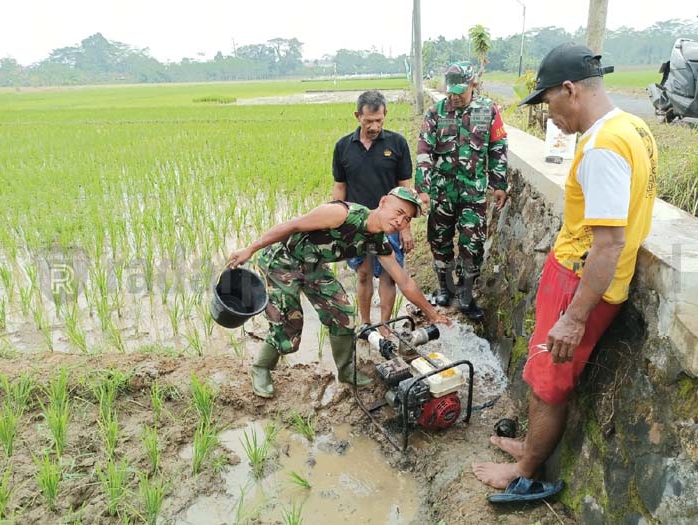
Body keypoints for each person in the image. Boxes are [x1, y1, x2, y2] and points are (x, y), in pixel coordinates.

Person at [473, 43, 657, 491]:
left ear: (570, 90)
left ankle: (525, 473)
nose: (546, 116)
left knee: (549, 382)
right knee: (541, 369)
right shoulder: (633, 127)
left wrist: (574, 317)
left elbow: (609, 243)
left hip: (581, 284)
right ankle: (530, 449)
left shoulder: (602, 148)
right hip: (574, 274)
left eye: (547, 101)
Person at [225, 187, 451, 399]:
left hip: (314, 267)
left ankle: (346, 370)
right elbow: (292, 225)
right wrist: (250, 249)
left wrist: (432, 314)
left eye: (407, 219)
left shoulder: (377, 241)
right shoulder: (341, 214)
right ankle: (261, 368)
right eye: (399, 212)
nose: (400, 221)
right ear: (383, 202)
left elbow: (404, 281)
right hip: (283, 263)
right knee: (289, 326)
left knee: (342, 315)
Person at [415, 61, 509, 321]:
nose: (454, 97)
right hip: (442, 192)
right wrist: (422, 190)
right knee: (440, 242)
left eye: (460, 91)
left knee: (473, 243)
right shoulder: (436, 113)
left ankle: (466, 295)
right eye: (451, 91)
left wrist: (499, 184)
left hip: (473, 194)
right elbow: (424, 152)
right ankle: (444, 289)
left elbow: (497, 148)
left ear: (473, 85)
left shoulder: (488, 110)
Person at [333, 90, 414, 338]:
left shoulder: (397, 144)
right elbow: (339, 188)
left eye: (379, 120)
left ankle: (385, 327)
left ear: (385, 115)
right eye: (369, 121)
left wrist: (405, 228)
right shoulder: (343, 147)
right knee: (364, 273)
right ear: (358, 116)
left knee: (390, 276)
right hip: (358, 225)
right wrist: (337, 224)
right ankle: (366, 324)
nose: (374, 126)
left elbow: (406, 188)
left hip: (389, 225)